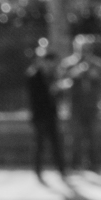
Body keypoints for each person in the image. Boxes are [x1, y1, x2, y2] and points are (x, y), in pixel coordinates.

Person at [24, 40, 65, 183]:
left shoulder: (52, 75)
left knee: (56, 144)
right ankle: (38, 171)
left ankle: (62, 170)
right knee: (39, 145)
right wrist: (53, 90)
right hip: (40, 115)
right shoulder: (33, 74)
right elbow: (38, 96)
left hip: (51, 115)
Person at [62, 42, 101, 175]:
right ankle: (75, 164)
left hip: (91, 105)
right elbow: (62, 81)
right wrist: (76, 72)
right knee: (76, 136)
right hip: (75, 105)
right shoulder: (68, 63)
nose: (85, 52)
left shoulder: (97, 63)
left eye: (87, 49)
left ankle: (93, 164)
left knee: (92, 136)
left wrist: (93, 74)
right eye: (82, 49)